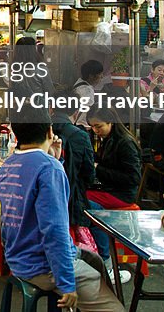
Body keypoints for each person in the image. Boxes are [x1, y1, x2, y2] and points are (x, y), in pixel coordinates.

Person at [0, 106, 124, 312]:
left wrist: (55, 159)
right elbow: (54, 230)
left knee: (96, 261)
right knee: (114, 309)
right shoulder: (48, 168)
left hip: (17, 257)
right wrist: (66, 283)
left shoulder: (9, 164)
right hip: (42, 265)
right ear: (49, 131)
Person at [86, 106, 142, 279]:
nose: (96, 130)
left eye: (99, 126)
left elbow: (133, 178)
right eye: (93, 127)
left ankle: (105, 259)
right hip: (109, 188)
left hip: (121, 194)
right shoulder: (108, 139)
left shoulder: (125, 143)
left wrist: (99, 169)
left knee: (86, 203)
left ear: (111, 122)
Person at [51, 99, 96, 235]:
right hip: (73, 202)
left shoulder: (42, 129)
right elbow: (89, 174)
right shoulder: (81, 136)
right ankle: (106, 256)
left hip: (47, 199)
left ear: (51, 108)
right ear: (76, 112)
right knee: (98, 216)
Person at [65, 60, 103, 129]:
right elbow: (87, 114)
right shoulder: (88, 91)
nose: (102, 77)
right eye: (100, 74)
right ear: (91, 76)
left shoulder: (79, 83)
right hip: (81, 126)